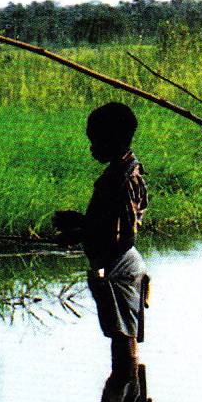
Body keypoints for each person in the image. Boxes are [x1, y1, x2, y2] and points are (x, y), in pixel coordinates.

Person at [53, 102, 149, 375]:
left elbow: (124, 235)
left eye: (96, 141)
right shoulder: (119, 172)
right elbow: (110, 222)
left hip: (118, 268)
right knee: (121, 337)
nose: (92, 148)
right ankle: (124, 401)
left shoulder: (123, 178)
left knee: (123, 340)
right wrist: (81, 222)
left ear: (114, 140)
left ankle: (123, 397)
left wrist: (80, 234)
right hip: (116, 265)